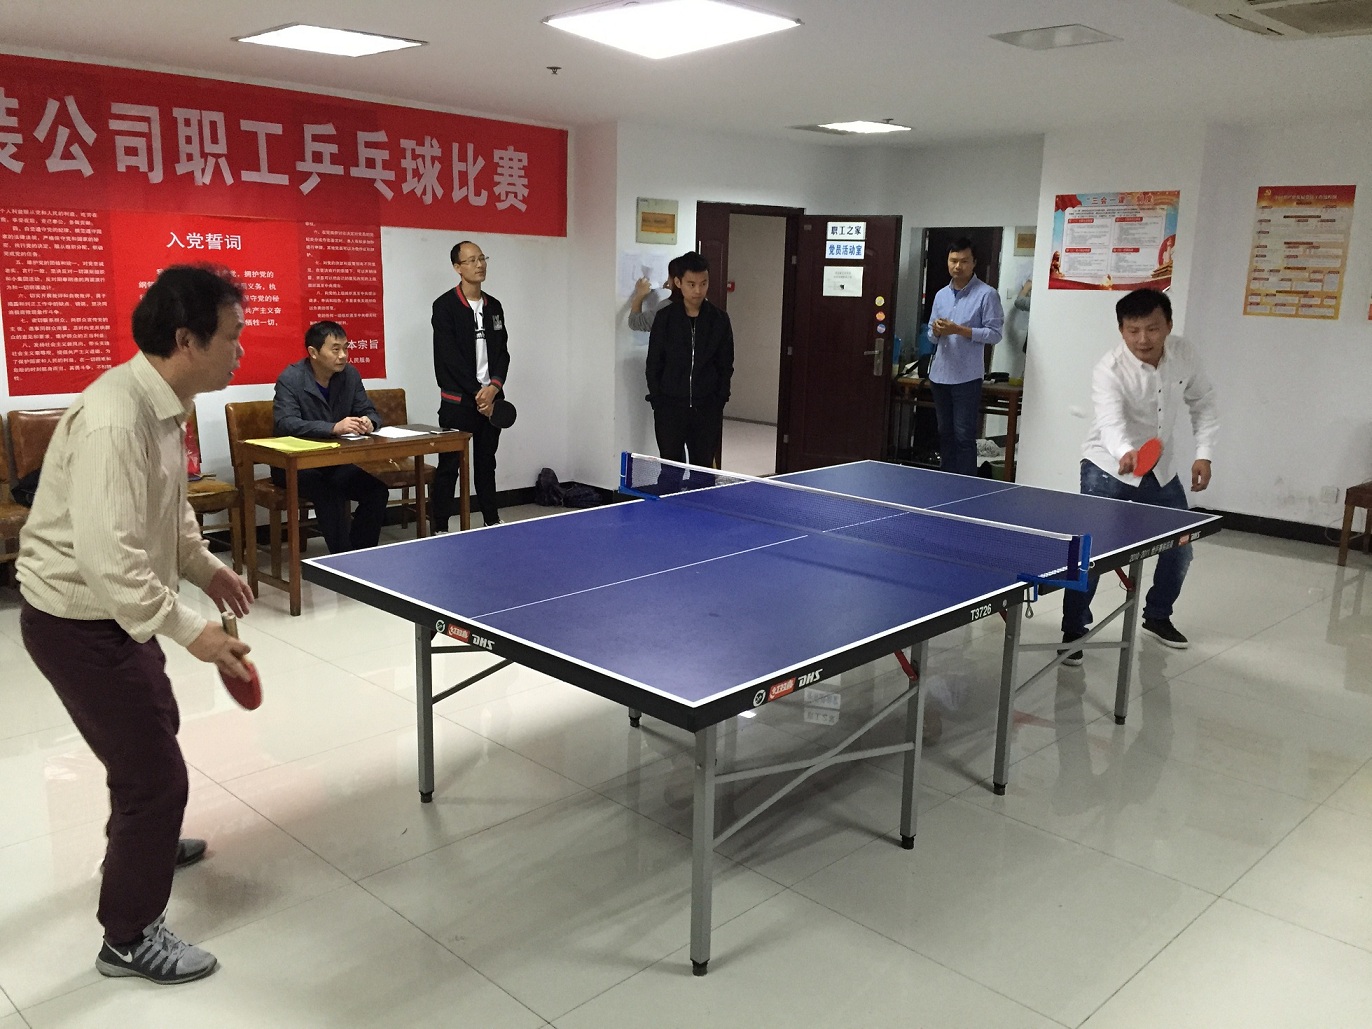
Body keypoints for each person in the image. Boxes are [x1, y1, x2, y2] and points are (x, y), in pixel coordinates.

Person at [16, 264, 256, 985]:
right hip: (76, 620)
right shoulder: (116, 419)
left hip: (113, 612)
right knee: (155, 776)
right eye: (231, 336)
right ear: (186, 339)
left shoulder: (167, 404)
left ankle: (142, 843)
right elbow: (109, 560)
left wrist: (206, 569)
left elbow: (168, 514)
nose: (240, 349)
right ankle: (127, 937)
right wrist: (195, 630)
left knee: (155, 725)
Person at [1061, 288, 1218, 663]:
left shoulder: (1184, 354)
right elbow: (1110, 422)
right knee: (1091, 554)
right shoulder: (1109, 369)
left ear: (1169, 326)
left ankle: (1158, 616)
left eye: (1152, 328)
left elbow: (1204, 401)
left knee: (1180, 548)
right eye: (1133, 330)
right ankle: (1073, 629)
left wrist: (1204, 454)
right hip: (1107, 467)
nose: (1143, 339)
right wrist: (1124, 452)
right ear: (1121, 330)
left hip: (1160, 469)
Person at [271, 320, 389, 553]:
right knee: (329, 493)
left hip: (334, 461)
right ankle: (342, 558)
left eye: (346, 348)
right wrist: (332, 428)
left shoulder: (349, 375)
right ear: (313, 352)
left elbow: (369, 410)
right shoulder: (291, 378)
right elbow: (285, 422)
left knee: (376, 491)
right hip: (296, 465)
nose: (343, 355)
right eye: (335, 349)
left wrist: (369, 421)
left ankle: (360, 553)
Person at [431, 239, 510, 528]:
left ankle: (491, 519)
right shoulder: (444, 306)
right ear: (457, 267)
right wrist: (479, 393)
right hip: (458, 403)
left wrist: (494, 388)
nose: (480, 265)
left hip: (492, 400)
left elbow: (502, 352)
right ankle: (440, 525)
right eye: (472, 260)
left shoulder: (494, 306)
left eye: (482, 258)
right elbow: (449, 358)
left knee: (487, 463)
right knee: (449, 466)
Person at [644, 250, 734, 471]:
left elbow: (725, 365)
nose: (698, 290)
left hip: (707, 409)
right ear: (678, 283)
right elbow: (654, 363)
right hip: (670, 409)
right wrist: (658, 400)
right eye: (691, 284)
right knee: (670, 471)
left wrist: (719, 399)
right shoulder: (665, 318)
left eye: (703, 284)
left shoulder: (719, 320)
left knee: (702, 472)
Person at [927, 237, 1004, 476]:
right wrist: (936, 331)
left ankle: (966, 486)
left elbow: (995, 334)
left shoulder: (987, 294)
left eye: (963, 261)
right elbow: (931, 335)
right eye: (953, 261)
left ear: (974, 263)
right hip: (940, 375)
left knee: (963, 435)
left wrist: (960, 330)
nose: (957, 266)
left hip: (967, 378)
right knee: (945, 433)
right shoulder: (941, 294)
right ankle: (946, 481)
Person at [628, 254, 686, 333]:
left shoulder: (667, 308)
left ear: (676, 281)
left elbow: (634, 322)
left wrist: (639, 295)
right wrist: (676, 288)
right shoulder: (699, 304)